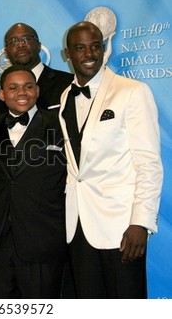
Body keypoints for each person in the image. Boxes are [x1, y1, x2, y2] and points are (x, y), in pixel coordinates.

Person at [59, 21, 163, 298]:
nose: (90, 54)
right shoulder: (66, 96)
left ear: (105, 49)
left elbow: (149, 163)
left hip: (122, 226)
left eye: (96, 46)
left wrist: (140, 222)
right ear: (67, 54)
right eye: (80, 48)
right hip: (79, 225)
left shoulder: (132, 91)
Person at [0, 65, 67, 298]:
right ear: (2, 95)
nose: (22, 92)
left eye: (28, 86)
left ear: (37, 91)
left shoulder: (59, 124)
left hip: (42, 239)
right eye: (13, 87)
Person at [0, 23, 73, 115]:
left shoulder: (69, 83)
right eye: (13, 41)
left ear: (39, 46)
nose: (20, 45)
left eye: (26, 39)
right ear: (6, 52)